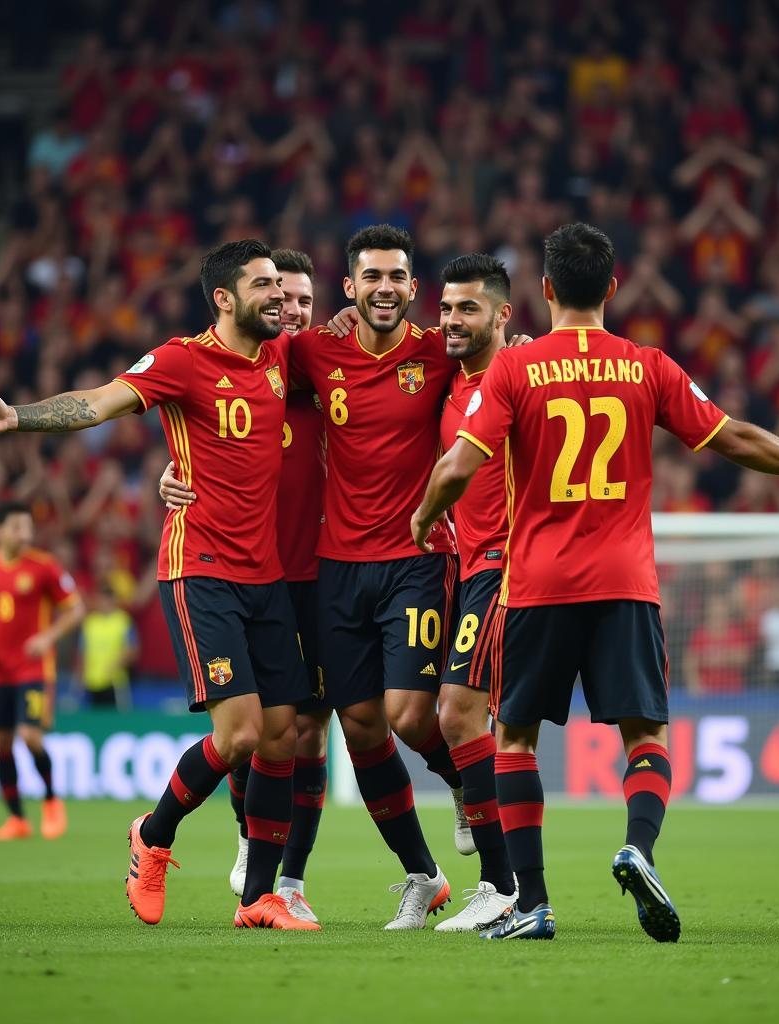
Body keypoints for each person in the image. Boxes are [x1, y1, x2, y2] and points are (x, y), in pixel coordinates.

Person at [411, 222, 779, 941]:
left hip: (537, 583)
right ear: (613, 288)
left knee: (512, 740)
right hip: (626, 583)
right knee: (646, 735)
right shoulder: (647, 365)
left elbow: (457, 467)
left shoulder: (514, 371)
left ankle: (534, 904)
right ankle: (638, 847)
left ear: (545, 290)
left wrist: (425, 518)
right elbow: (734, 437)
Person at [0, 239, 317, 932]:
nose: (280, 298)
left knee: (283, 734)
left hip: (268, 575)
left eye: (283, 286)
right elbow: (98, 402)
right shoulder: (183, 359)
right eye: (265, 286)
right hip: (201, 568)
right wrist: (18, 417)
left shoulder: (280, 355)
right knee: (237, 736)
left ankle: (258, 898)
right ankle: (154, 834)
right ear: (224, 298)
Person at [289, 224, 460, 929]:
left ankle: (468, 791)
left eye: (397, 277)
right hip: (337, 567)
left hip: (416, 558)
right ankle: (424, 876)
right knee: (359, 726)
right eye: (372, 277)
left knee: (407, 713)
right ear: (350, 287)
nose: (384, 288)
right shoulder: (313, 350)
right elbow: (234, 397)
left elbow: (499, 369)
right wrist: (180, 464)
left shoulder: (437, 350)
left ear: (412, 289)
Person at [161, 248, 328, 925]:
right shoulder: (249, 364)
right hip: (241, 571)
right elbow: (189, 424)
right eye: (276, 295)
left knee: (298, 733)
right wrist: (169, 475)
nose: (290, 311)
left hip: (324, 577)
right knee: (249, 733)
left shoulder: (318, 363)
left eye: (302, 303)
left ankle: (279, 887)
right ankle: (196, 839)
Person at [430, 253, 518, 932]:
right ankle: (514, 884)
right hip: (464, 571)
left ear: (501, 314)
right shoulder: (445, 374)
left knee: (459, 715)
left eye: (467, 308)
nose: (452, 320)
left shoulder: (519, 376)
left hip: (506, 565)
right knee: (493, 729)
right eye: (447, 308)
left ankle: (499, 884)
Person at [0, 502, 85, 840]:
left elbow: (76, 609)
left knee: (30, 735)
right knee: (1, 742)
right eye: (18, 527)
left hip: (33, 668)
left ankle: (51, 801)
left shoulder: (44, 567)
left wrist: (47, 637)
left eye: (28, 527)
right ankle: (17, 819)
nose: (25, 534)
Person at [76, 581, 138, 708]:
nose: (103, 603)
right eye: (100, 599)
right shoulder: (90, 622)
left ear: (113, 600)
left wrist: (116, 665)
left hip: (114, 682)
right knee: (92, 721)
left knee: (116, 721)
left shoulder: (123, 621)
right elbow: (82, 652)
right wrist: (79, 678)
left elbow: (133, 650)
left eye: (106, 599)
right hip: (91, 681)